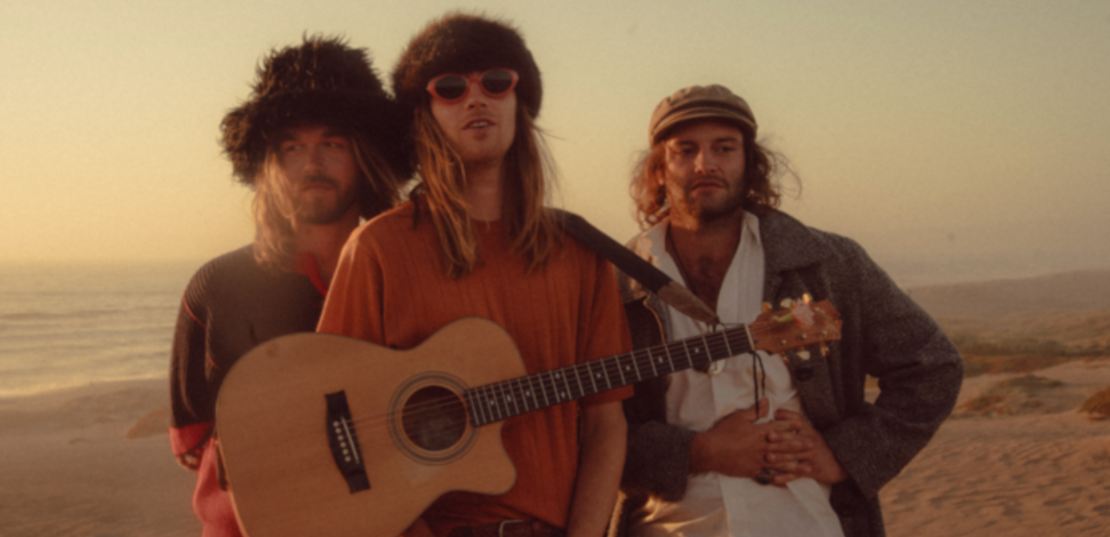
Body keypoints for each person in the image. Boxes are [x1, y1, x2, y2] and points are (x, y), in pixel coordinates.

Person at [316, 13, 631, 537]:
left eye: (496, 82)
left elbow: (605, 423)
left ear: (519, 102)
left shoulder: (580, 253)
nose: (476, 98)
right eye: (451, 87)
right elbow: (325, 416)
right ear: (426, 113)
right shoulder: (379, 249)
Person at [615, 84, 963, 537]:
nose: (706, 163)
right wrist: (698, 452)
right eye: (685, 150)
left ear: (750, 163)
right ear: (659, 169)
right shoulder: (614, 281)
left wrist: (845, 453)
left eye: (724, 148)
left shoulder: (829, 264)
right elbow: (584, 430)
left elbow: (933, 366)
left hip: (802, 522)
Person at [168, 37, 410, 537]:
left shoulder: (408, 275)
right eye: (292, 147)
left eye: (332, 144)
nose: (312, 163)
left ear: (364, 156)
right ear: (270, 165)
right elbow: (193, 443)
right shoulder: (218, 287)